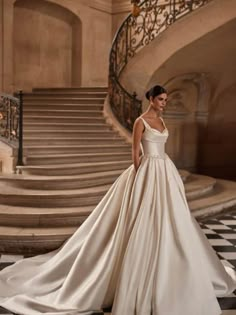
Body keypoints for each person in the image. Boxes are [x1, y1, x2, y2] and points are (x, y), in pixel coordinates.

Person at [0, 85, 236, 315]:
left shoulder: (163, 121)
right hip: (147, 170)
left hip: (166, 170)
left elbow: (162, 147)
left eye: (166, 100)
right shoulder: (140, 121)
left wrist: (165, 171)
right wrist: (139, 177)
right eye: (161, 99)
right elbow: (135, 153)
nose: (165, 103)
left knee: (173, 218)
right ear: (152, 99)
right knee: (141, 218)